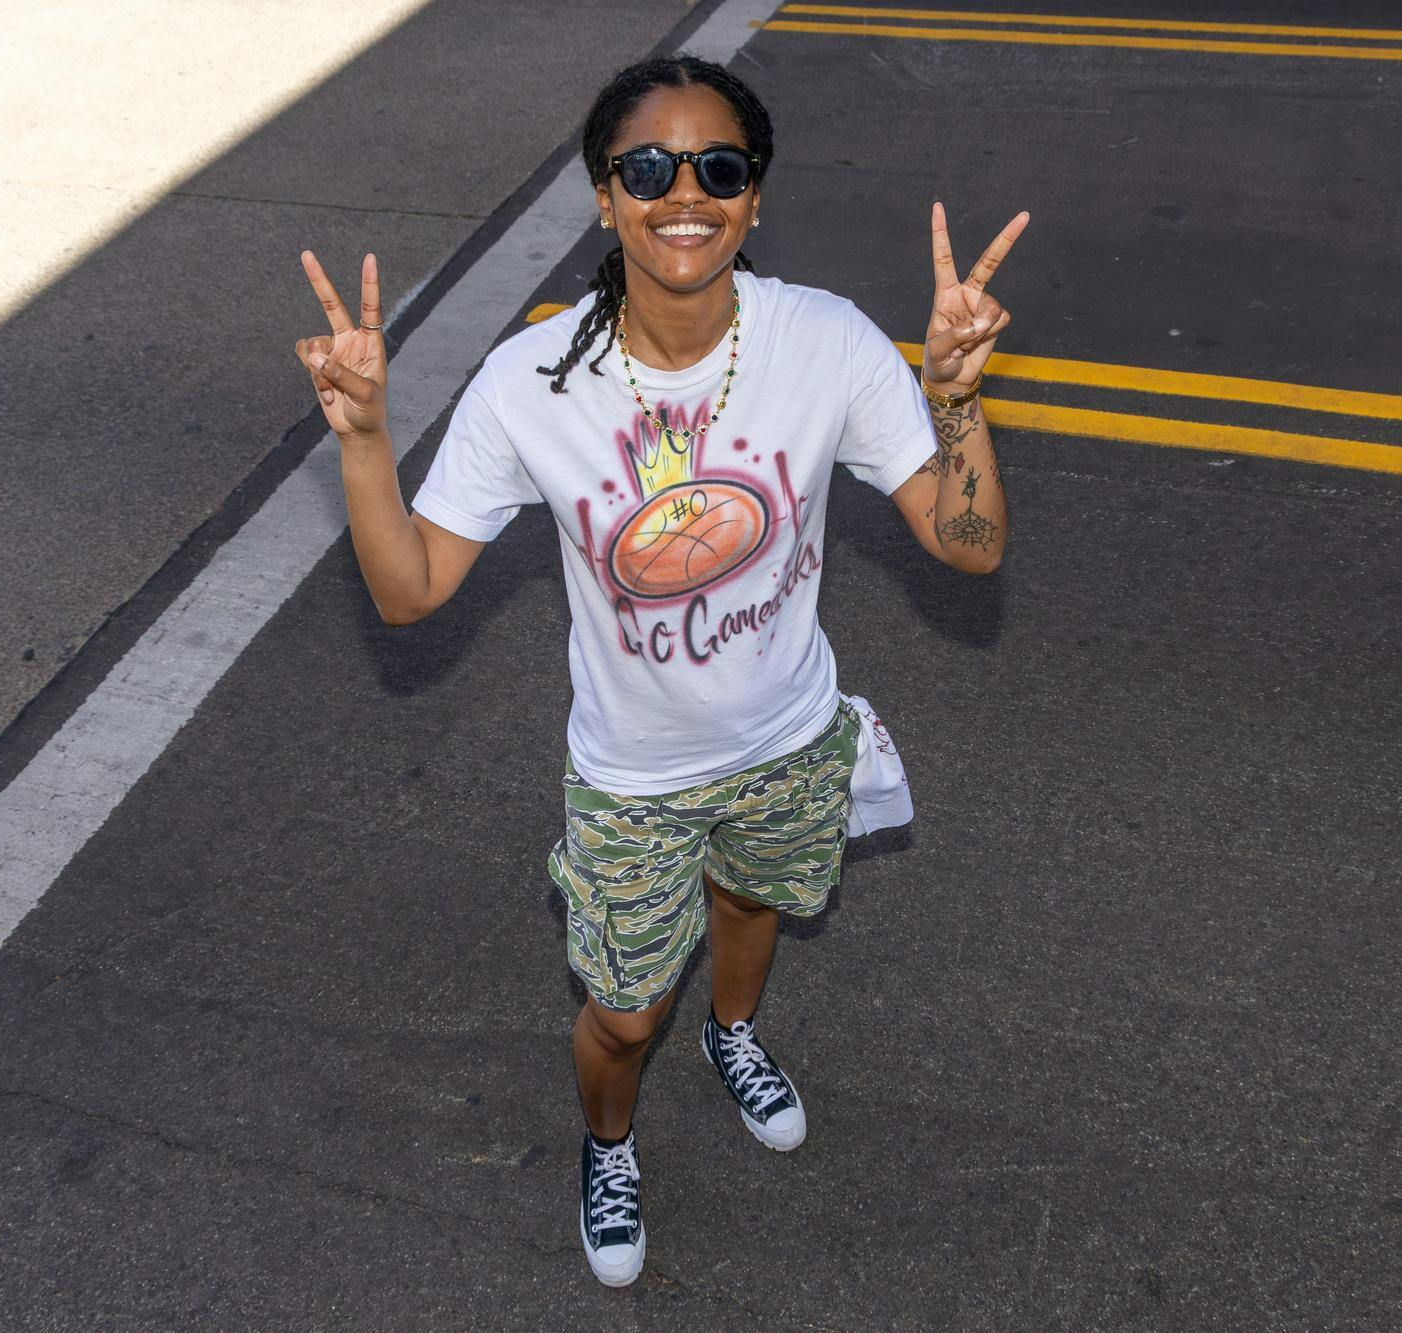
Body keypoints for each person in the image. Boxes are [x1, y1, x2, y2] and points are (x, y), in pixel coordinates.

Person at [292, 55, 1025, 1288]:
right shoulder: (535, 381)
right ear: (601, 197)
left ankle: (734, 1033)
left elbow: (971, 544)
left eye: (718, 168)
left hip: (789, 741)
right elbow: (409, 589)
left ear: (752, 199)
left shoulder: (825, 341)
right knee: (625, 1013)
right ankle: (608, 1139)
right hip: (631, 777)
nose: (682, 193)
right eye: (646, 168)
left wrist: (953, 402)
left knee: (750, 911)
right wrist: (364, 440)